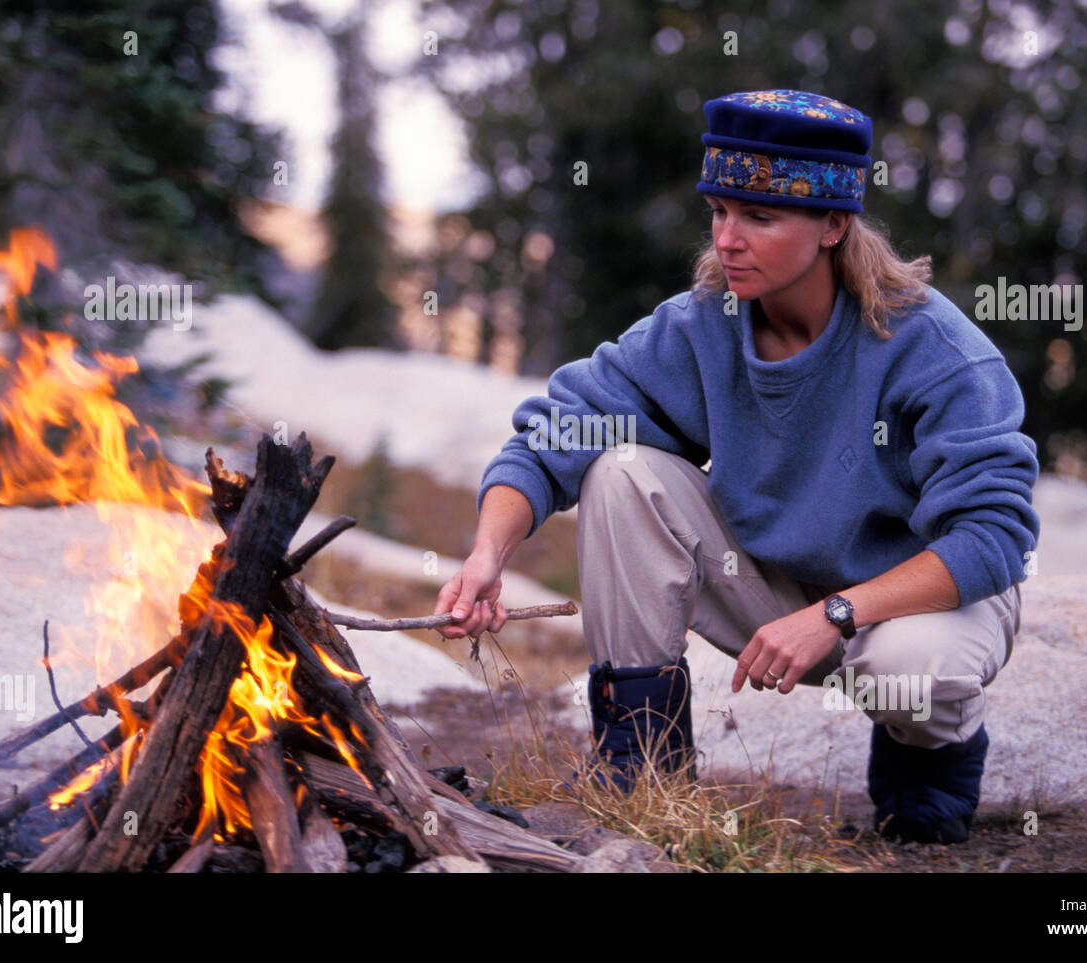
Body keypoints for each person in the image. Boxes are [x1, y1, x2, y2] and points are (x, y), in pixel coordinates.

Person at [431, 89, 1039, 845]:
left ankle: (932, 751)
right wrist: (490, 551)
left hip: (916, 602)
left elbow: (993, 537)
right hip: (776, 589)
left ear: (832, 224)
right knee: (620, 469)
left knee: (908, 673)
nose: (728, 239)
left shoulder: (934, 349)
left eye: (759, 216)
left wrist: (837, 614)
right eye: (719, 211)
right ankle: (642, 764)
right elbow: (557, 431)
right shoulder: (702, 324)